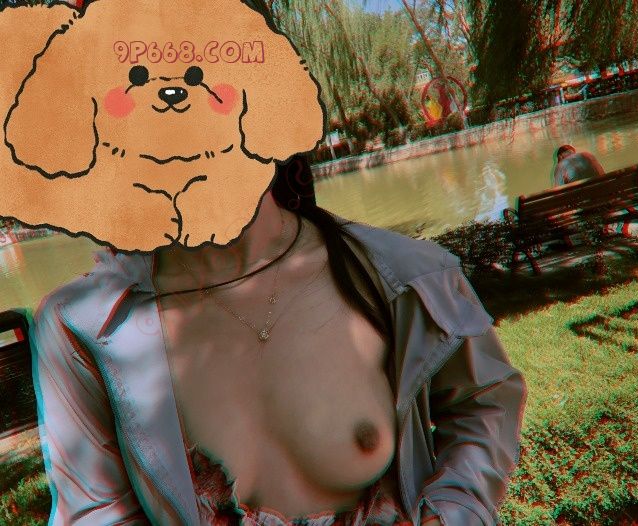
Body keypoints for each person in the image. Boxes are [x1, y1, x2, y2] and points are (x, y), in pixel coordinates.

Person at [28, 3, 527, 526]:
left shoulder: (407, 278)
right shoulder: (79, 331)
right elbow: (97, 513)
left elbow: (484, 400)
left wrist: (451, 512)